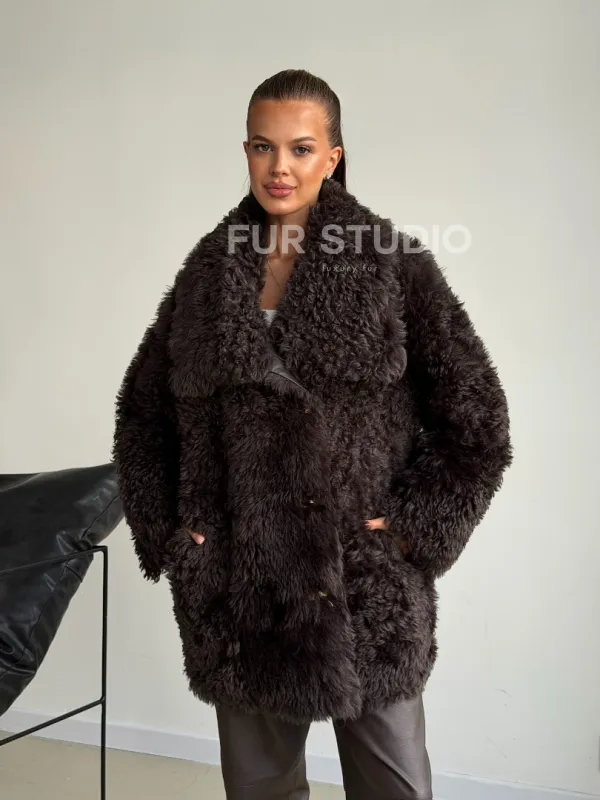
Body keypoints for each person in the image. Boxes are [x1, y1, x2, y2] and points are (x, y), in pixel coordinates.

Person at [112, 69, 513, 800]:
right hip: (242, 589)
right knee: (261, 789)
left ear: (333, 156)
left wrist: (412, 529)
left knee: (395, 787)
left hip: (361, 583)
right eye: (262, 147)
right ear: (245, 150)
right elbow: (143, 415)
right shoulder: (208, 274)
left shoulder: (389, 263)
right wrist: (176, 532)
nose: (280, 167)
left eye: (300, 148)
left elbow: (478, 416)